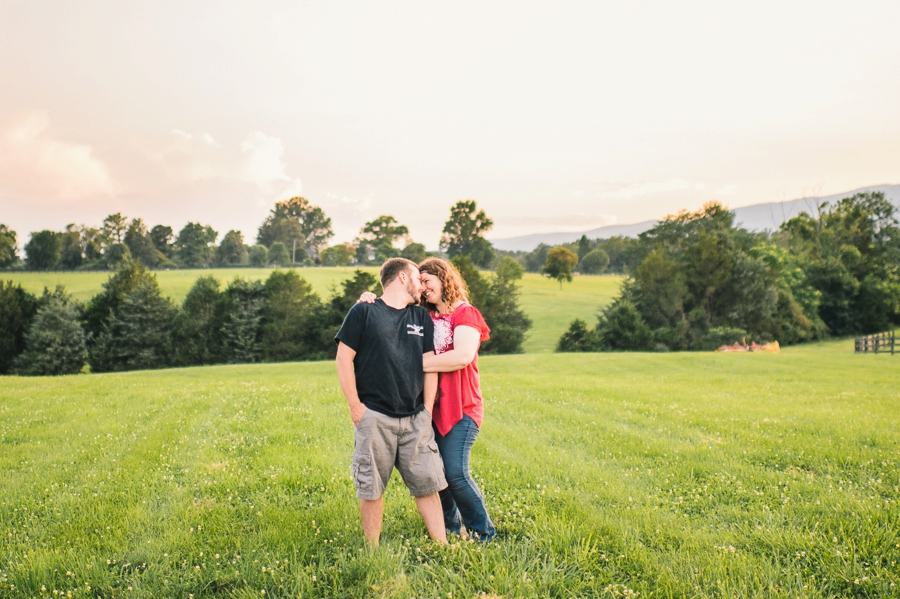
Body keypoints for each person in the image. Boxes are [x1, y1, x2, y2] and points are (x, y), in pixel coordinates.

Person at [360, 257, 496, 541]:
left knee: (456, 473)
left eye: (426, 281)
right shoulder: (423, 315)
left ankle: (482, 532)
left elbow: (461, 357)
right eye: (418, 282)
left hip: (462, 407)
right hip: (427, 408)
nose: (421, 288)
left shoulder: (465, 314)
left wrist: (411, 364)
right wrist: (368, 298)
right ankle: (447, 529)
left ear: (443, 279)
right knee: (437, 475)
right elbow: (391, 304)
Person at [335, 258, 448, 545]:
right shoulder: (363, 312)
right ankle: (372, 552)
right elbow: (343, 359)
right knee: (371, 488)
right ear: (401, 277)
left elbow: (429, 365)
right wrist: (355, 407)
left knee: (428, 484)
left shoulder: (420, 318)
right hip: (374, 417)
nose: (421, 286)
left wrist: (426, 409)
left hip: (415, 419)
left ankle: (442, 545)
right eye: (416, 278)